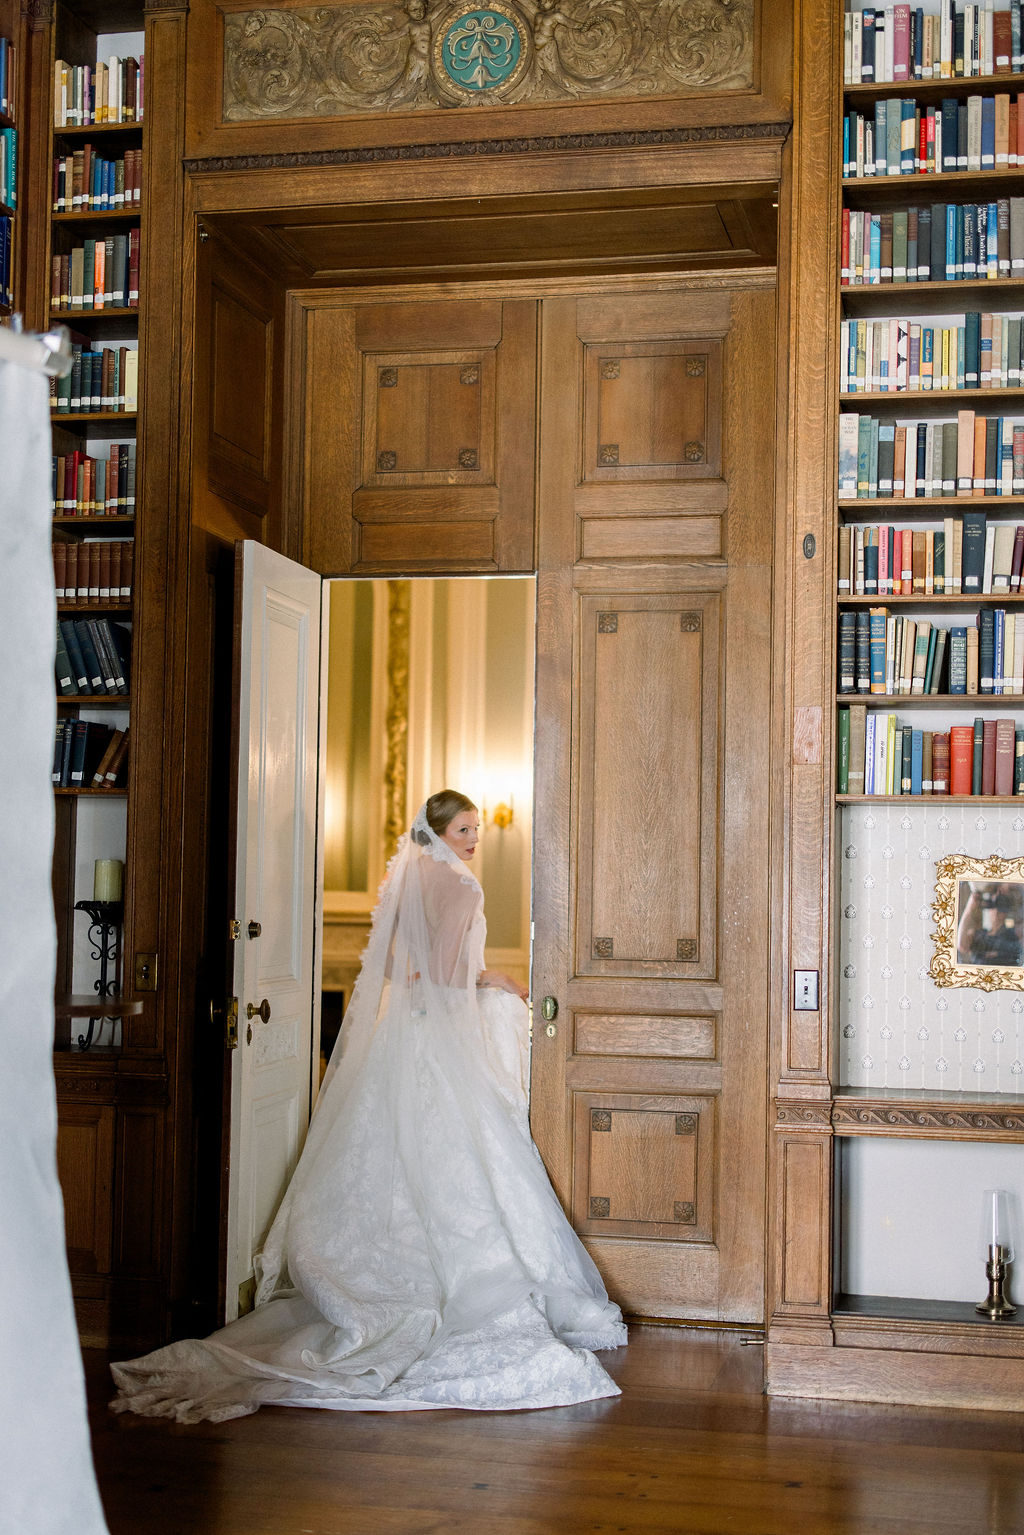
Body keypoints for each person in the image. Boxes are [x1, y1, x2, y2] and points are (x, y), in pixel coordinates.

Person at [111, 791, 626, 1421]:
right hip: (440, 1036)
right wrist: (498, 981)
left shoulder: (411, 876)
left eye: (476, 830)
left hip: (403, 1032)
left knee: (393, 1147)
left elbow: (393, 969)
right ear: (439, 831)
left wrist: (434, 981)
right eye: (464, 829)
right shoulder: (462, 888)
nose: (473, 840)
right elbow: (445, 976)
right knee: (459, 1148)